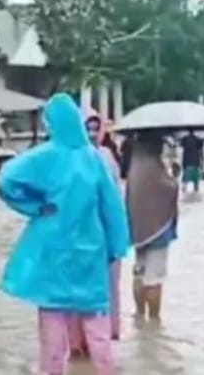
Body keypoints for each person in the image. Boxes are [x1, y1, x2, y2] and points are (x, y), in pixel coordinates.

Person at [0, 93, 129, 375]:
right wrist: (117, 247)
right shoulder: (96, 160)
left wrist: (33, 206)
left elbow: (6, 179)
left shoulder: (43, 157)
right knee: (98, 329)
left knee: (52, 332)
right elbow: (113, 207)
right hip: (90, 253)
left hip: (53, 253)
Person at [68, 109, 124, 358]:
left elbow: (115, 200)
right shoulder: (67, 158)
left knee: (105, 287)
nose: (91, 133)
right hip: (73, 236)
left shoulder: (107, 156)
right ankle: (76, 342)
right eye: (86, 127)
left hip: (103, 234)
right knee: (74, 289)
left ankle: (101, 340)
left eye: (95, 128)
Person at [126, 132, 179, 321]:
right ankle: (155, 321)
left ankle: (139, 315)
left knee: (139, 271)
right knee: (154, 278)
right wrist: (174, 175)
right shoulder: (154, 167)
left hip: (138, 230)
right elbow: (170, 189)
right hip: (158, 230)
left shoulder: (136, 165)